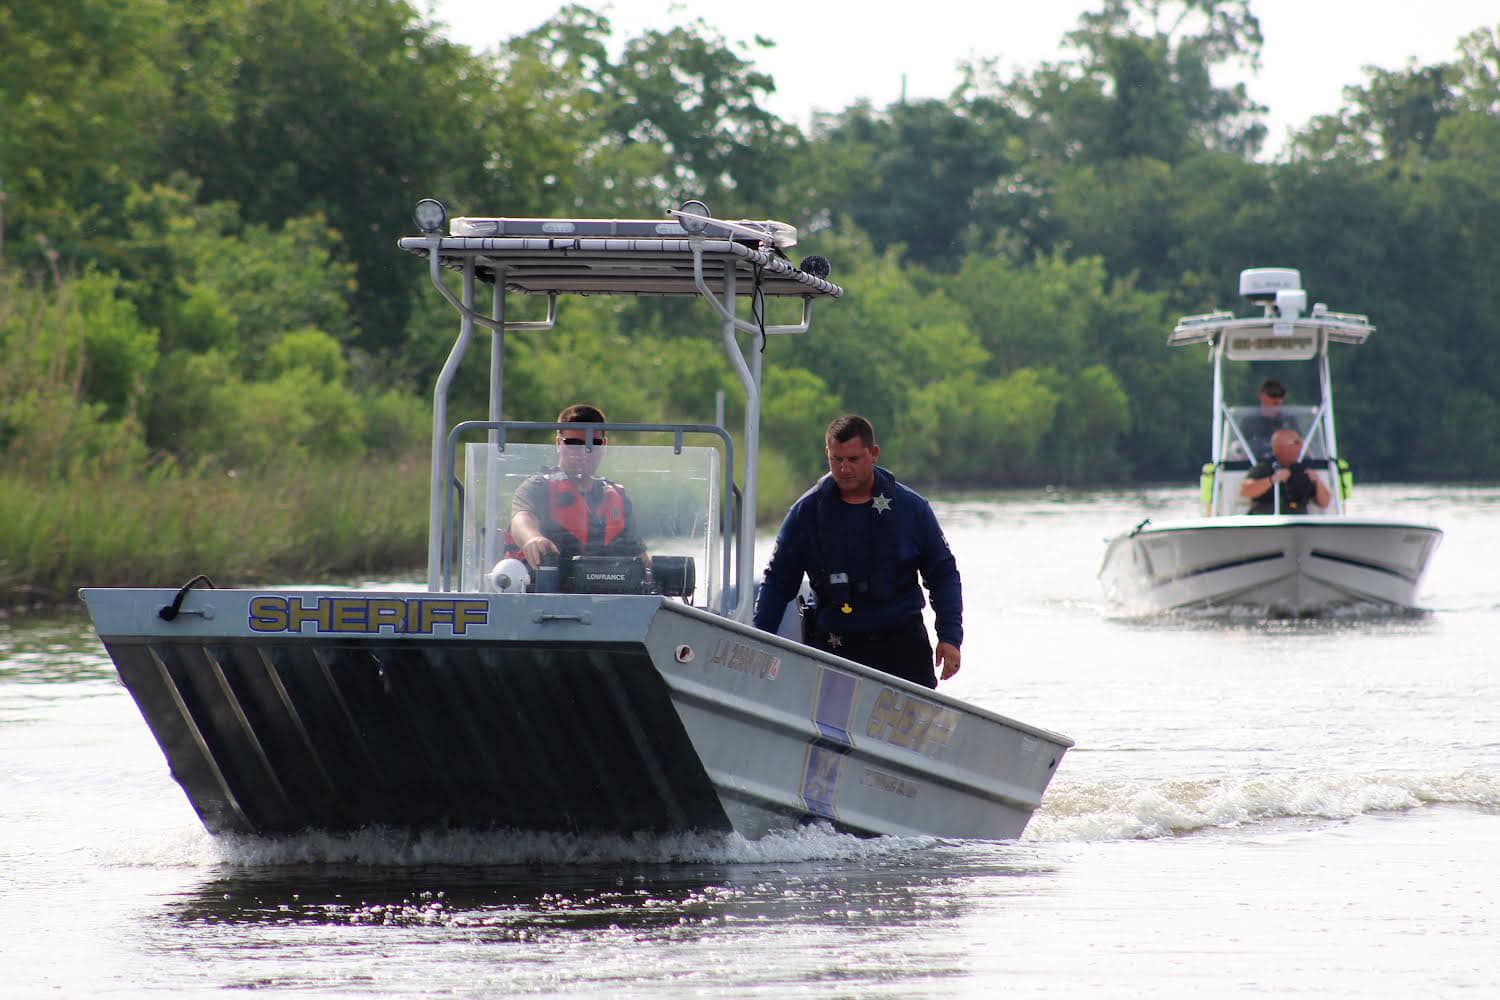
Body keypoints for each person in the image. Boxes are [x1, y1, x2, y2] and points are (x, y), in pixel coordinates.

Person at [751, 414, 962, 689]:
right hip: (836, 647)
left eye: (853, 459)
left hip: (902, 646)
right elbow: (778, 582)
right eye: (836, 459)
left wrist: (950, 637)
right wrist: (755, 641)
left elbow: (943, 574)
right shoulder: (806, 513)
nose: (844, 468)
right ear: (827, 454)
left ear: (873, 454)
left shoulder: (911, 509)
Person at [508, 404, 646, 579]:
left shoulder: (617, 496)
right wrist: (531, 538)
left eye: (593, 444)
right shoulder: (537, 487)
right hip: (549, 594)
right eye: (573, 444)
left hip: (607, 596)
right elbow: (521, 520)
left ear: (603, 445)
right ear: (559, 443)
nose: (583, 452)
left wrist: (656, 576)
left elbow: (639, 556)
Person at [1240, 428, 1331, 515]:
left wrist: (1317, 481)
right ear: (1280, 447)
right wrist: (1272, 480)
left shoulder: (1303, 470)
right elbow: (1245, 491)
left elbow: (1325, 503)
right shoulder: (1264, 468)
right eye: (1296, 443)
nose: (1301, 446)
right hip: (1267, 522)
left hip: (1298, 524)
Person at [1239, 378, 1298, 461]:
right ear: (1261, 396)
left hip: (1283, 463)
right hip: (1256, 464)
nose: (1276, 400)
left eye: (1280, 396)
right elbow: (1238, 448)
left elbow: (1299, 443)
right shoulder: (1249, 422)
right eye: (1273, 395)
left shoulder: (1288, 421)